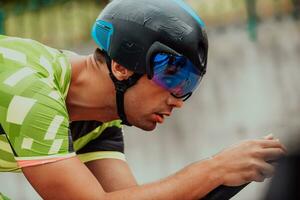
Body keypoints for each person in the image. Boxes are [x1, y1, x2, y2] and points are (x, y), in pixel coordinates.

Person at [0, 0, 286, 199]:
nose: (179, 100)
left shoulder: (100, 122)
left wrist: (226, 177)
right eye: (173, 77)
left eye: (189, 84)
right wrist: (213, 169)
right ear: (122, 67)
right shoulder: (31, 88)